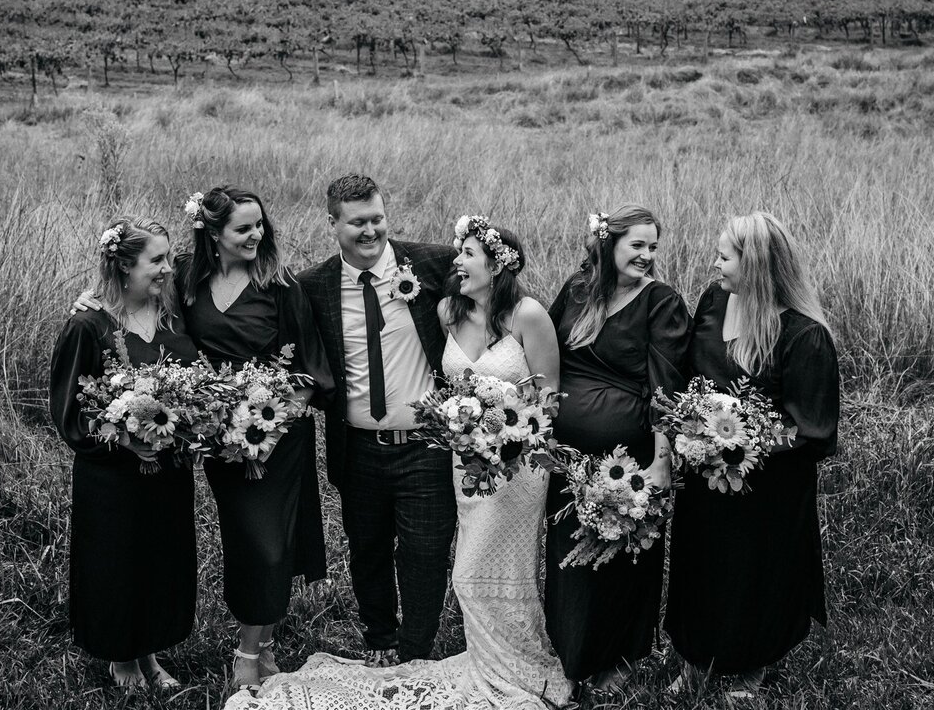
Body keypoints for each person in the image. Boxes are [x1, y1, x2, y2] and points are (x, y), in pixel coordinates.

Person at [222, 216, 571, 710]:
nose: (457, 260)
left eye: (469, 253)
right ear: (334, 222)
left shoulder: (524, 313)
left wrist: (507, 437)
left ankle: (500, 661)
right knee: (383, 552)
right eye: (458, 251)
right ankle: (431, 648)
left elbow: (548, 395)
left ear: (497, 264)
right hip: (454, 460)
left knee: (468, 570)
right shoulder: (447, 307)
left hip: (509, 465)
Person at [72, 188, 335, 695]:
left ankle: (250, 651)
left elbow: (308, 368)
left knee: (271, 545)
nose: (256, 235)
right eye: (243, 228)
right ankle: (261, 636)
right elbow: (133, 295)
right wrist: (92, 298)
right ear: (213, 234)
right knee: (244, 542)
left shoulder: (281, 286)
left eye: (261, 226)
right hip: (216, 439)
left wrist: (274, 420)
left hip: (273, 435)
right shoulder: (188, 279)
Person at [664, 211, 839, 700]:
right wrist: (694, 428)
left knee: (754, 572)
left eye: (724, 257)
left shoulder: (804, 335)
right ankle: (698, 658)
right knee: (700, 564)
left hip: (769, 490)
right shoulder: (714, 302)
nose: (715, 265)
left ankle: (751, 665)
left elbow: (814, 429)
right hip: (704, 475)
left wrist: (744, 444)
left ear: (756, 266)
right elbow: (689, 377)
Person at [296, 173, 458, 667]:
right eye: (357, 223)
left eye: (378, 219)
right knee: (367, 549)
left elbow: (501, 285)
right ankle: (381, 637)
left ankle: (416, 649)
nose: (370, 232)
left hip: (427, 444)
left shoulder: (434, 264)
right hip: (358, 446)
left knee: (425, 552)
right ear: (333, 224)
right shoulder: (313, 286)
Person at [544, 205, 690, 698]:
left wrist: (662, 464)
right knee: (569, 556)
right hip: (565, 458)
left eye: (653, 247)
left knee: (619, 557)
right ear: (608, 244)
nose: (648, 256)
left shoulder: (661, 303)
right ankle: (572, 652)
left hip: (627, 465)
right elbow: (543, 350)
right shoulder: (577, 290)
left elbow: (667, 389)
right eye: (638, 246)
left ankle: (617, 659)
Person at [49, 217, 197, 689]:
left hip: (169, 469)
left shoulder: (172, 316)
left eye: (169, 258)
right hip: (113, 475)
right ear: (123, 267)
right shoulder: (88, 326)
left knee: (160, 557)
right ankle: (122, 659)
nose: (168, 269)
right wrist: (122, 438)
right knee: (118, 562)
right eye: (157, 260)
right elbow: (69, 411)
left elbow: (195, 382)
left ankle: (149, 651)